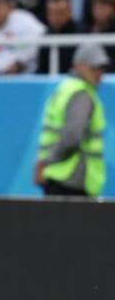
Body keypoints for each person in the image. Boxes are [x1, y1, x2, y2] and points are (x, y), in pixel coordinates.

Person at [34, 42, 108, 198]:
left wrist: (45, 163)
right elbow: (72, 136)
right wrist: (46, 162)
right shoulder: (81, 93)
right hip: (72, 180)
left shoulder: (65, 88)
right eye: (94, 67)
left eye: (102, 68)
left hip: (58, 178)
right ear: (79, 66)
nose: (99, 73)